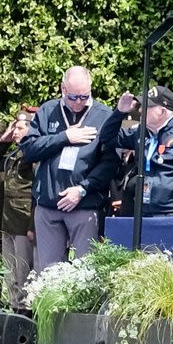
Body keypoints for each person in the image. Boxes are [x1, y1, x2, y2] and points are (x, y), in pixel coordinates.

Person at [22, 67, 122, 268]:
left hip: (84, 205)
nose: (78, 102)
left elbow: (110, 163)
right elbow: (29, 150)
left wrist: (83, 188)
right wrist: (64, 137)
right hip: (48, 204)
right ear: (63, 89)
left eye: (84, 97)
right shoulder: (48, 110)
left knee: (84, 271)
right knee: (48, 273)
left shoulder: (103, 115)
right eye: (73, 97)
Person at [122, 88, 173, 217]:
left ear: (162, 111)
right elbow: (108, 137)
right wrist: (119, 113)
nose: (140, 110)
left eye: (147, 107)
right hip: (145, 210)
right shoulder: (142, 131)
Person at [0, 107, 39, 298]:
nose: (16, 132)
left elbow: (36, 192)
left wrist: (32, 225)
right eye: (15, 128)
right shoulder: (13, 155)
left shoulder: (33, 156)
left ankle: (24, 309)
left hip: (24, 218)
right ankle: (14, 304)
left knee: (24, 269)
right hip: (9, 219)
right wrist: (4, 141)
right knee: (10, 270)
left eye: (20, 128)